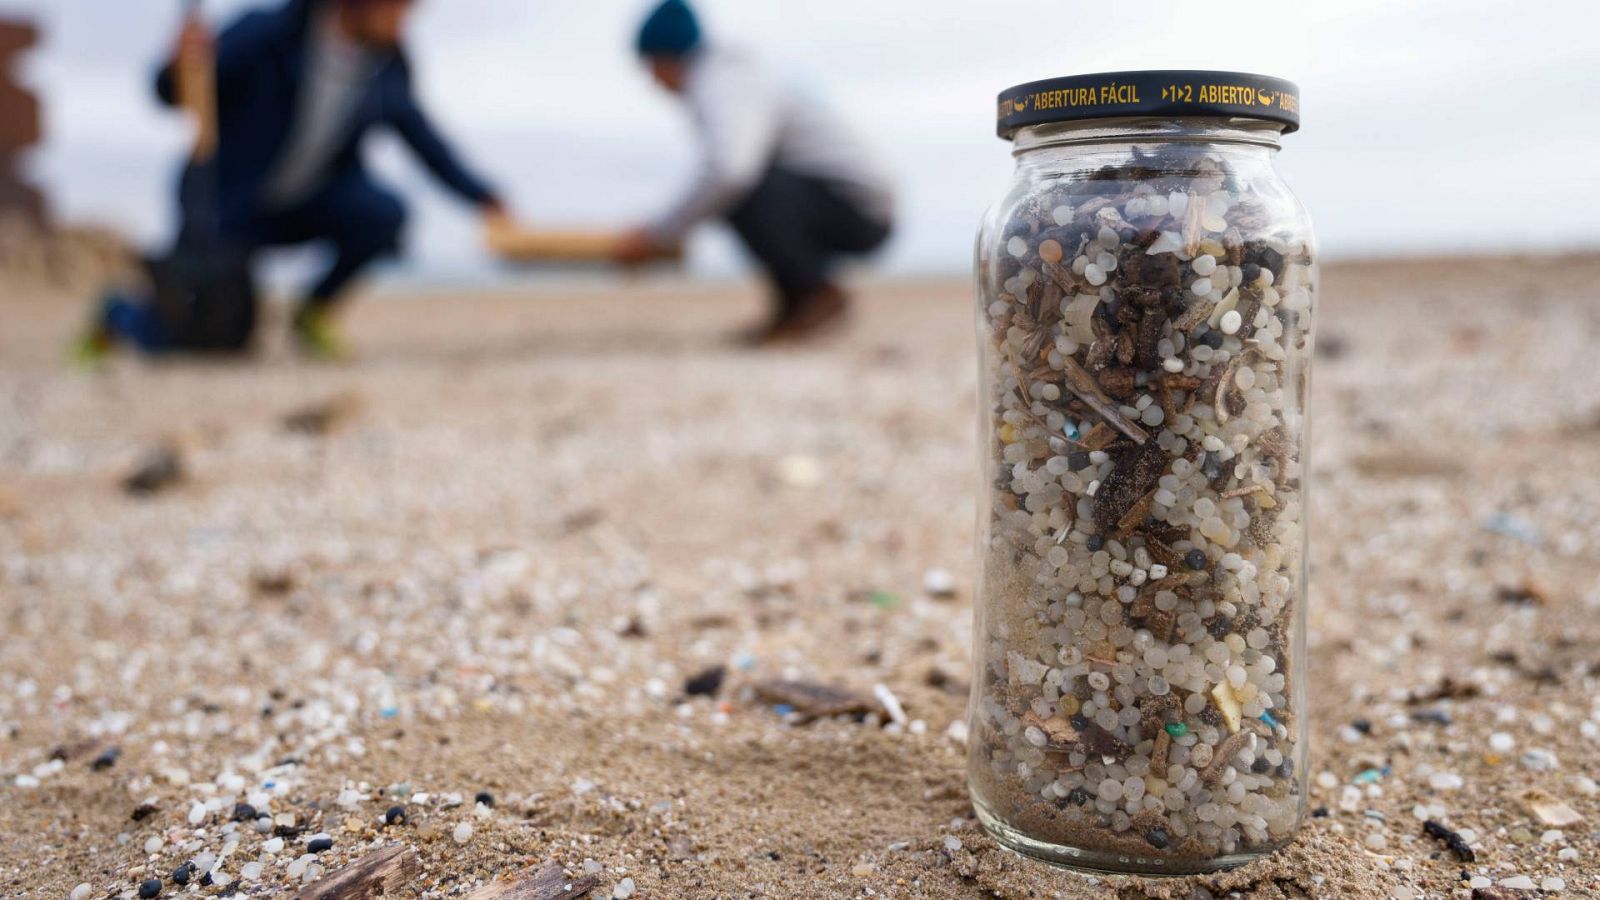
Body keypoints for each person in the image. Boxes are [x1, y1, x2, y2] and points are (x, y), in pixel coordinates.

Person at [84, 0, 506, 360]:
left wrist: (481, 195)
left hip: (309, 203)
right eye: (396, 7)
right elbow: (172, 93)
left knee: (384, 213)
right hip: (224, 207)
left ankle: (313, 312)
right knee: (209, 339)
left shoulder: (387, 65)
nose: (404, 19)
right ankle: (117, 315)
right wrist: (178, 64)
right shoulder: (269, 33)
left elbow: (422, 138)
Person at [615, 0, 895, 345]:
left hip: (859, 208)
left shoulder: (722, 81)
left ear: (667, 56)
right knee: (737, 189)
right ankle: (795, 305)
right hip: (844, 199)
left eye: (651, 66)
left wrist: (658, 234)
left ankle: (814, 294)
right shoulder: (728, 78)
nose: (652, 80)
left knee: (737, 189)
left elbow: (730, 170)